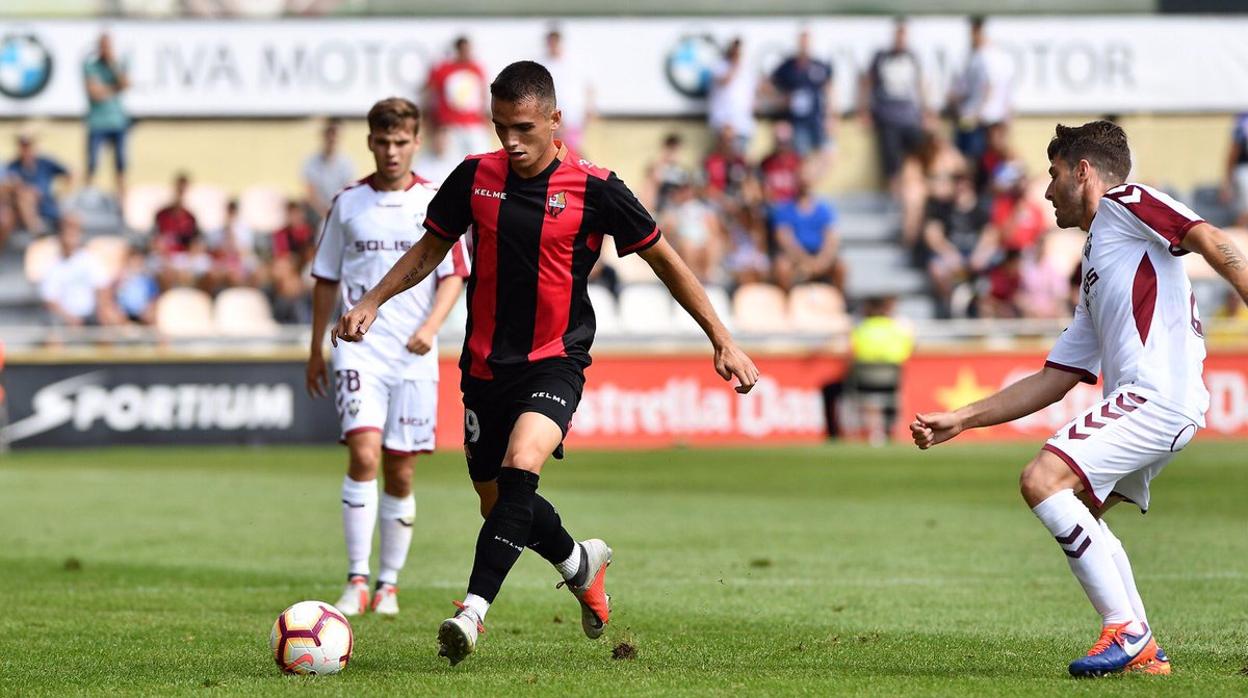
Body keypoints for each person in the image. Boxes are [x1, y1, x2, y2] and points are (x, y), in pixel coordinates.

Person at [332, 61, 759, 665]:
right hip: (483, 365)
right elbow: (430, 248)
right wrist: (372, 301)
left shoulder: (598, 187)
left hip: (555, 360)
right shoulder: (475, 176)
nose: (511, 140)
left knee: (520, 466)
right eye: (501, 126)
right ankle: (578, 560)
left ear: (556, 120)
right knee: (498, 504)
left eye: (525, 128)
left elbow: (665, 260)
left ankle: (472, 613)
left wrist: (722, 337)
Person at [911, 120, 1248, 677]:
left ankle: (1127, 632)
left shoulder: (1125, 202)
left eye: (1054, 174)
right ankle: (1144, 651)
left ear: (1083, 172)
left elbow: (1210, 239)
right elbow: (1058, 375)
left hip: (1156, 395)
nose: (1047, 191)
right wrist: (963, 419)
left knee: (1042, 480)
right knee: (1081, 510)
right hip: (1162, 403)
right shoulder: (1098, 260)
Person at [307, 97, 470, 617]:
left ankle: (388, 586)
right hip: (359, 352)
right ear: (371, 142)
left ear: (416, 142)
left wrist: (430, 327)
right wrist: (315, 348)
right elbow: (326, 278)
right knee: (363, 455)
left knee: (400, 472)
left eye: (402, 142)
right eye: (384, 141)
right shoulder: (348, 202)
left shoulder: (435, 200)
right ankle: (356, 580)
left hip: (413, 355)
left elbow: (454, 274)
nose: (393, 151)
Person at [859, 17, 926, 193]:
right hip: (887, 118)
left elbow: (921, 86)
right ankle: (894, 197)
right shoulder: (881, 57)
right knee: (891, 163)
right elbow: (867, 83)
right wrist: (865, 111)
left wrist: (926, 112)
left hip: (910, 118)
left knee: (916, 158)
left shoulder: (913, 57)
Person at [949, 16, 1014, 166]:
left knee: (977, 162)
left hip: (981, 120)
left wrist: (976, 113)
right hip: (987, 118)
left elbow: (988, 88)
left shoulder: (984, 57)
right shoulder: (989, 56)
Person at [40, 214, 119, 329]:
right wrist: (69, 317)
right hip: (65, 317)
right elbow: (50, 300)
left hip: (91, 314)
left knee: (109, 316)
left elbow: (102, 288)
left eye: (74, 232)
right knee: (52, 327)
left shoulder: (89, 259)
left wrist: (101, 310)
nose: (70, 237)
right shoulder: (52, 266)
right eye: (66, 232)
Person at [770, 28, 836, 164]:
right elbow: (769, 85)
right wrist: (782, 100)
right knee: (802, 158)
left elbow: (829, 89)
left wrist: (831, 115)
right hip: (798, 122)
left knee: (827, 155)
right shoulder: (788, 67)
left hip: (818, 119)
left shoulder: (819, 66)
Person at [771, 177, 845, 291]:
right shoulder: (784, 209)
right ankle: (787, 300)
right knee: (782, 267)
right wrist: (806, 261)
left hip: (820, 256)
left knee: (841, 267)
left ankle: (840, 301)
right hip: (795, 258)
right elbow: (786, 242)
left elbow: (831, 238)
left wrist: (821, 261)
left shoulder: (824, 208)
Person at [423, 36, 490, 158]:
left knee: (481, 161)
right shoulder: (443, 69)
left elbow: (482, 98)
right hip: (450, 126)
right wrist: (435, 128)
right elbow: (430, 98)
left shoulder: (476, 68)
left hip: (474, 125)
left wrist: (486, 121)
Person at [83, 32, 130, 200]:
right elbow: (95, 93)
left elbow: (126, 84)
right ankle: (87, 197)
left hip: (117, 121)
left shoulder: (118, 64)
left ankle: (121, 202)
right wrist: (114, 88)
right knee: (92, 164)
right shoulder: (90, 66)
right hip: (97, 122)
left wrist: (112, 66)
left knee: (121, 166)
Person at [6, 132, 70, 234]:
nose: (26, 149)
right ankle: (36, 231)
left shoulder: (45, 163)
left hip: (48, 207)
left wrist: (62, 193)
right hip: (26, 211)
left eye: (28, 145)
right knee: (25, 196)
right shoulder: (13, 166)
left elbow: (71, 173)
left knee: (73, 220)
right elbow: (11, 186)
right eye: (23, 145)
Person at [542, 27, 594, 153]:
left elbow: (588, 86)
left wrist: (589, 107)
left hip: (573, 116)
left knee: (572, 150)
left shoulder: (574, 62)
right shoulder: (543, 63)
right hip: (552, 116)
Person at [303, 119, 357, 228]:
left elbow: (348, 190)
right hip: (316, 215)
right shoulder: (312, 161)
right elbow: (310, 193)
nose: (332, 138)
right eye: (329, 133)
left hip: (339, 211)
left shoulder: (347, 163)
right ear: (324, 135)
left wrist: (336, 212)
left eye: (335, 134)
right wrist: (324, 213)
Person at [707, 38, 757, 155]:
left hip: (743, 124)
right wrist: (735, 66)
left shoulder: (748, 68)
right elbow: (724, 81)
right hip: (724, 124)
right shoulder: (720, 66)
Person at [1220, 112, 1248, 227]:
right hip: (1244, 169)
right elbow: (1233, 152)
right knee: (1245, 213)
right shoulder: (1244, 121)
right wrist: (1227, 183)